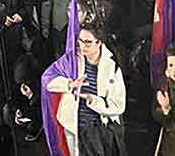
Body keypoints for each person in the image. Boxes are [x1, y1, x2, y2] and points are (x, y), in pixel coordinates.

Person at [44, 24, 127, 156]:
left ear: (99, 42)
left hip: (99, 130)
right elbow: (47, 81)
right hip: (73, 125)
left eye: (88, 42)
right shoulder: (71, 61)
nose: (83, 46)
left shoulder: (113, 68)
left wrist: (93, 101)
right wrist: (69, 84)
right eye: (80, 41)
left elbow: (118, 105)